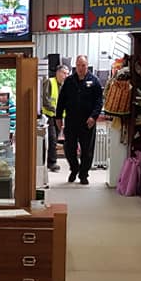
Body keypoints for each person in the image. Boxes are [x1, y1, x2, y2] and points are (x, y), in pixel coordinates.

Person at [55, 56, 103, 185]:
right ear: (75, 66)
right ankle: (74, 168)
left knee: (87, 150)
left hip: (88, 122)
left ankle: (83, 174)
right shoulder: (69, 81)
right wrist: (58, 117)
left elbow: (99, 102)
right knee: (69, 148)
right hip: (71, 121)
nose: (81, 68)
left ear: (87, 66)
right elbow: (61, 100)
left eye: (83, 65)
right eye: (79, 65)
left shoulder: (94, 81)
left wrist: (94, 116)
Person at [41, 65, 70, 172]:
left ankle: (50, 161)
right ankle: (51, 163)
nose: (66, 76)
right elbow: (45, 99)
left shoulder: (64, 85)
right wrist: (56, 110)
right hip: (50, 116)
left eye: (67, 74)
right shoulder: (50, 82)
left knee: (55, 139)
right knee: (52, 139)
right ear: (58, 73)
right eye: (64, 73)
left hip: (59, 117)